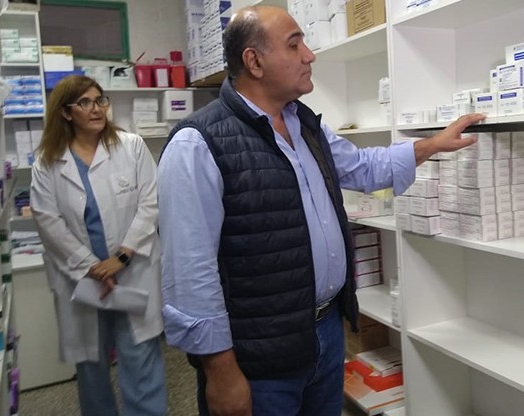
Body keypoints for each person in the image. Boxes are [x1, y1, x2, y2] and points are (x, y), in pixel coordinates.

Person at [158, 5, 484, 416]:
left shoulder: (304, 124)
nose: (310, 55)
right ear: (254, 62)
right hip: (258, 357)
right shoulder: (197, 144)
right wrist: (220, 372)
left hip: (325, 335)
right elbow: (190, 272)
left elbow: (362, 167)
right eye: (294, 45)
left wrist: (432, 144)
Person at [30, 75, 167, 416]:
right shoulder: (47, 161)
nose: (96, 109)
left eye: (100, 100)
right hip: (83, 279)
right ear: (65, 113)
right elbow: (48, 222)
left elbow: (150, 204)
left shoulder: (131, 146)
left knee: (141, 355)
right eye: (85, 103)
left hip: (133, 270)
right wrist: (92, 267)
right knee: (91, 363)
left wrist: (121, 257)